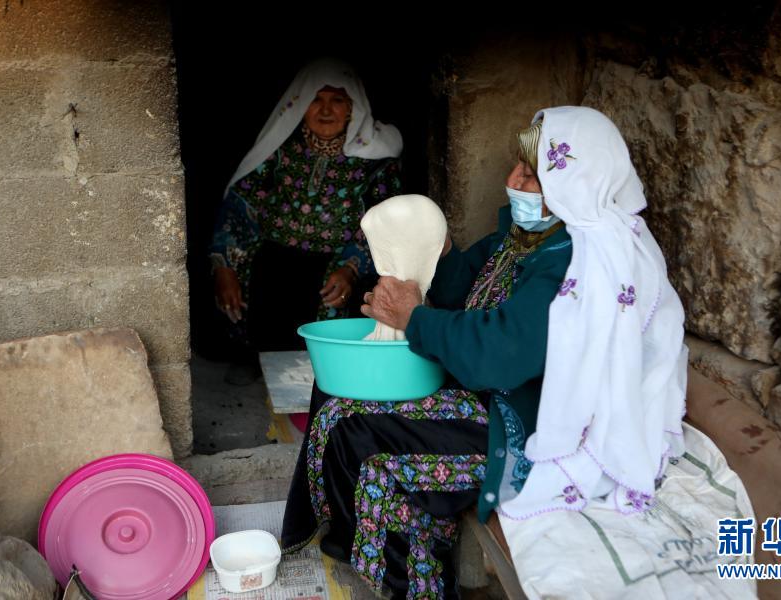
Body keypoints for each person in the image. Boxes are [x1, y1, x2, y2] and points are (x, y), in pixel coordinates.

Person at [280, 107, 689, 599]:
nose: (513, 180)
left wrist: (414, 319)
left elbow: (503, 355)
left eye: (532, 175)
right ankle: (354, 538)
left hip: (522, 423)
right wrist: (436, 247)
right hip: (478, 393)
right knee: (337, 394)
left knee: (365, 439)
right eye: (518, 166)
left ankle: (417, 586)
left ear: (576, 184)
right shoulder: (520, 239)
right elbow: (460, 292)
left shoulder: (578, 264)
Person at [209, 58, 403, 383]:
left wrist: (352, 266)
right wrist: (223, 265)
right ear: (300, 104)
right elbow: (242, 204)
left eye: (337, 100)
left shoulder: (376, 162)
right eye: (316, 99)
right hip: (277, 256)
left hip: (340, 261)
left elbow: (386, 221)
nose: (325, 110)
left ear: (352, 108)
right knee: (239, 262)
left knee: (347, 289)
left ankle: (327, 368)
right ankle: (251, 354)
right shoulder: (281, 150)